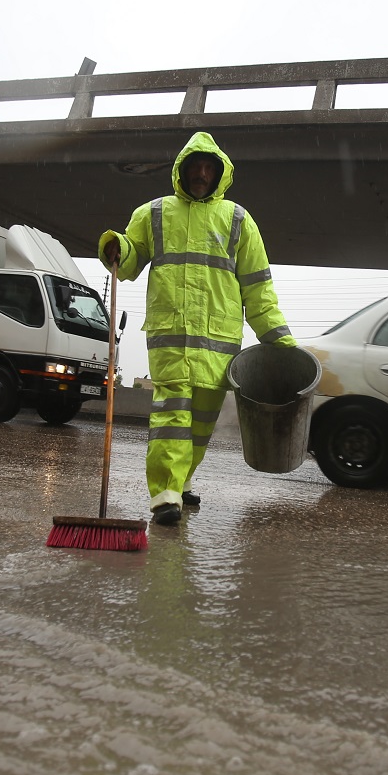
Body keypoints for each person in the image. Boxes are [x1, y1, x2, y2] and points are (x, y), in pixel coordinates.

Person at [100, 131, 295, 526]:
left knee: (201, 426)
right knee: (172, 416)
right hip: (170, 339)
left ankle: (182, 481)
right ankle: (165, 496)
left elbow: (258, 288)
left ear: (220, 173)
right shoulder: (153, 213)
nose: (202, 173)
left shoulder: (238, 220)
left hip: (219, 345)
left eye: (210, 167)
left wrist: (279, 340)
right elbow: (133, 259)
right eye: (196, 166)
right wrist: (118, 245)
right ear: (182, 170)